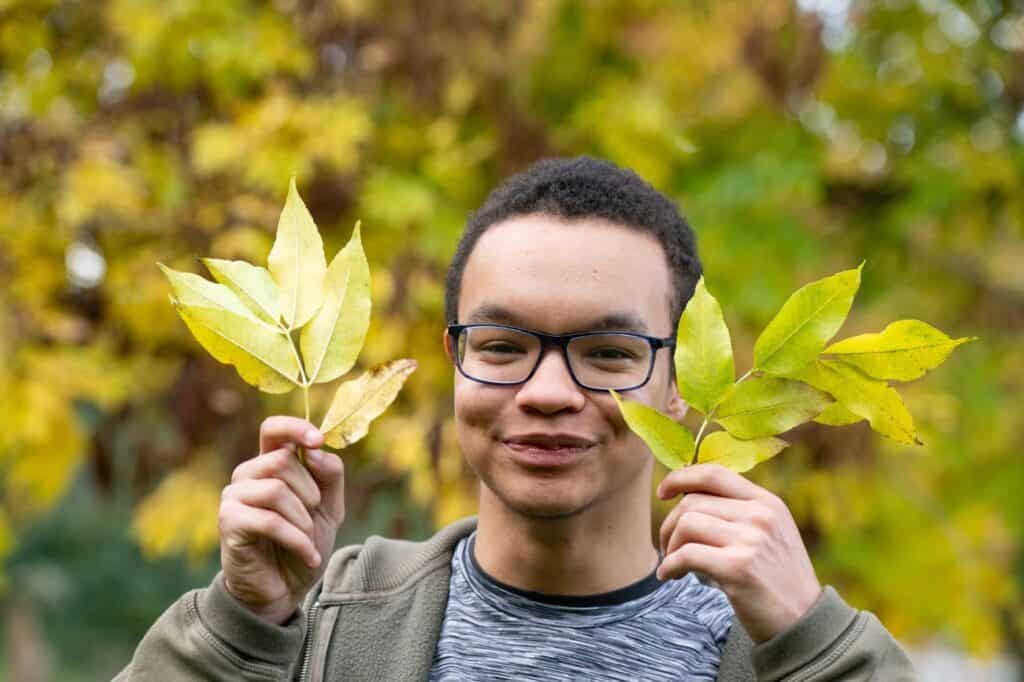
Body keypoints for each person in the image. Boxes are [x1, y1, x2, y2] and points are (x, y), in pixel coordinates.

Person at [117, 156, 917, 681]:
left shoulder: (770, 635)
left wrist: (817, 645)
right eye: (503, 345)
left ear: (680, 382)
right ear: (454, 358)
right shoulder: (327, 618)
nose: (546, 391)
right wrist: (240, 621)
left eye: (607, 352)